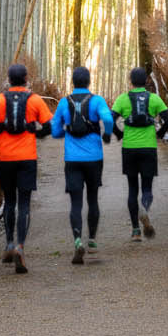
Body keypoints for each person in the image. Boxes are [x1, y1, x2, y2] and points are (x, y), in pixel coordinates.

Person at [0, 64, 52, 274]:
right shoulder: (34, 99)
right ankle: (21, 246)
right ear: (26, 79)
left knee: (9, 201)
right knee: (24, 204)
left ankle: (9, 243)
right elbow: (50, 124)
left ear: (9, 80)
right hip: (27, 157)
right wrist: (36, 133)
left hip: (5, 157)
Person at [49, 66, 115, 265]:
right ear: (88, 82)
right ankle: (92, 240)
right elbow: (108, 119)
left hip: (72, 159)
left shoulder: (63, 102)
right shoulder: (97, 100)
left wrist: (63, 134)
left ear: (72, 82)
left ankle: (77, 239)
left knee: (76, 202)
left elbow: (54, 129)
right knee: (93, 198)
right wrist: (106, 134)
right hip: (94, 158)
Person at [111, 67, 168, 242]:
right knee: (146, 187)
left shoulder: (123, 99)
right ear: (146, 81)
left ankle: (136, 230)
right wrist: (159, 134)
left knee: (132, 189)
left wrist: (119, 133)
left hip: (129, 148)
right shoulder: (154, 98)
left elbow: (110, 118)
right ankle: (144, 209)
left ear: (131, 81)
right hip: (148, 148)